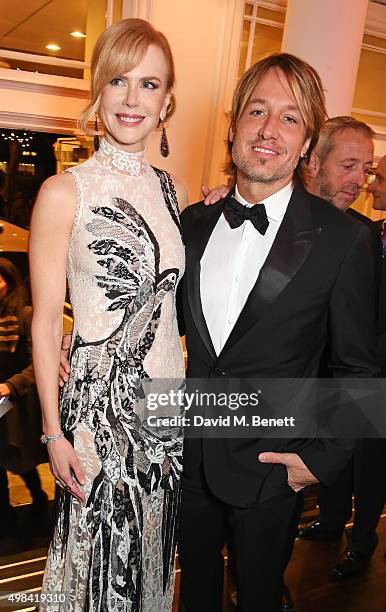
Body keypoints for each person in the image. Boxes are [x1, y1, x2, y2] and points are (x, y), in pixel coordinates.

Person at [177, 53, 379, 612]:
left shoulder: (344, 239)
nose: (269, 130)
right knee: (191, 594)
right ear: (234, 125)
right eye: (256, 111)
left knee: (261, 598)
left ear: (308, 140)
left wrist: (322, 459)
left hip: (274, 466)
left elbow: (360, 368)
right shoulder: (191, 223)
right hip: (185, 452)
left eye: (290, 118)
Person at [29, 19, 187, 612]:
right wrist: (52, 431)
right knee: (101, 564)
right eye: (119, 80)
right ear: (98, 89)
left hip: (167, 408)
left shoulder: (172, 189)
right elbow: (46, 321)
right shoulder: (63, 192)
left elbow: (170, 304)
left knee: (152, 558)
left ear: (166, 101)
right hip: (100, 411)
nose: (131, 98)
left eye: (149, 84)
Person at [0, 257, 47, 539]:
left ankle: (39, 501)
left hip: (18, 401)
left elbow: (37, 363)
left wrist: (10, 386)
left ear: (10, 281)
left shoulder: (25, 315)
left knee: (21, 461)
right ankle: (5, 519)